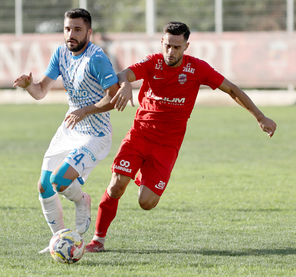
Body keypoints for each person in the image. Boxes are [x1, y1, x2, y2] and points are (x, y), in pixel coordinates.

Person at [85, 21, 277, 252]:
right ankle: (98, 240)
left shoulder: (198, 69)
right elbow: (124, 73)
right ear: (162, 43)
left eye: (177, 47)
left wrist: (259, 116)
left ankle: (141, 173)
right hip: (139, 136)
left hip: (167, 146)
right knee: (116, 187)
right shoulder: (152, 62)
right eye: (167, 45)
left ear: (186, 46)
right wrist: (125, 84)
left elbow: (232, 89)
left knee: (146, 203)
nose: (171, 51)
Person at [13, 8, 129, 253]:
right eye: (67, 29)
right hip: (69, 129)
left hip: (94, 134)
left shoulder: (96, 58)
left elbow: (115, 98)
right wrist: (28, 86)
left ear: (89, 32)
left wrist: (85, 110)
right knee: (44, 187)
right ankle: (60, 240)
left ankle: (82, 200)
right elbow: (41, 91)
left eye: (77, 29)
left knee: (60, 179)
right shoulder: (60, 54)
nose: (71, 34)